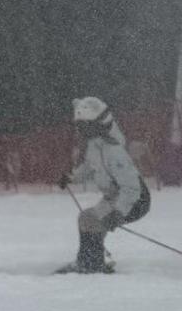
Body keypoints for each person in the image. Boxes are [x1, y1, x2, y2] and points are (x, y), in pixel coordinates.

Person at [58, 97, 150, 272]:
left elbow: (131, 188)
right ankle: (89, 261)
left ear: (97, 124)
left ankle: (91, 265)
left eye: (84, 126)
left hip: (136, 200)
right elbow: (89, 166)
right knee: (87, 218)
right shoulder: (95, 144)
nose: (80, 131)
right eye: (79, 126)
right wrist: (72, 178)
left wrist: (118, 213)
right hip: (115, 197)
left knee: (92, 220)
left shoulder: (114, 151)